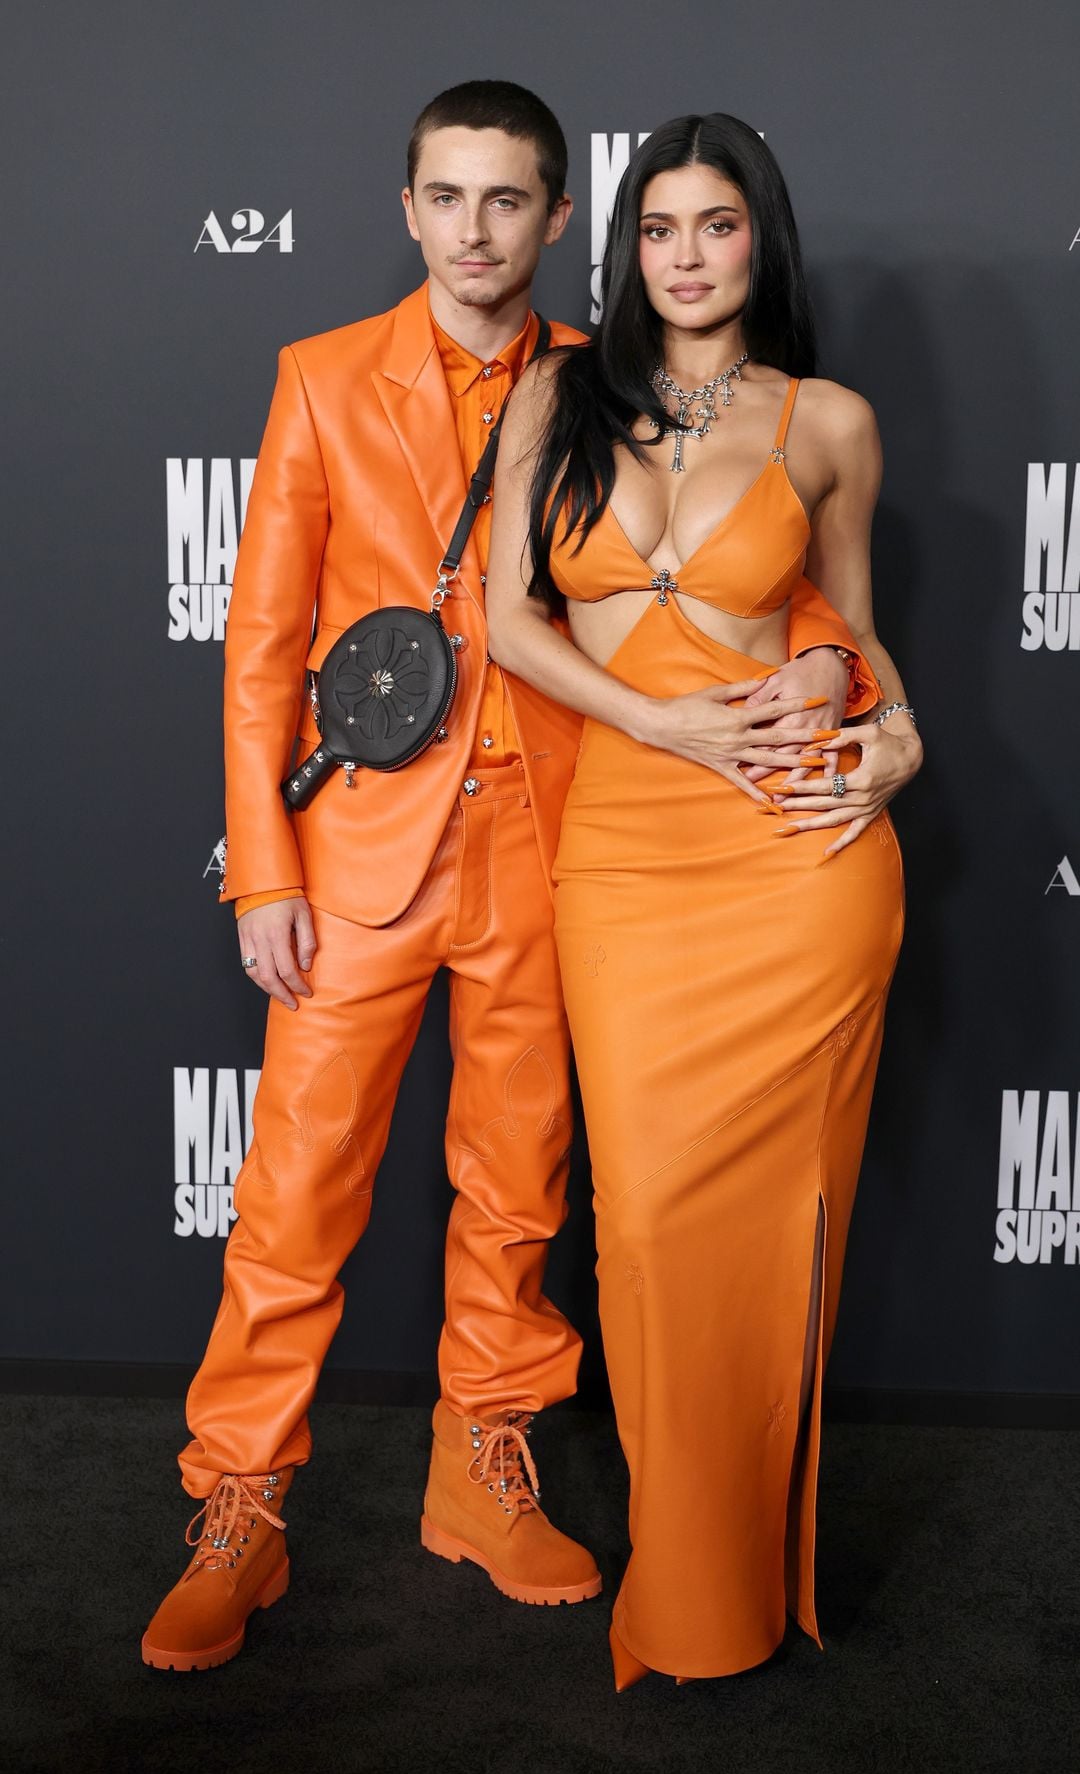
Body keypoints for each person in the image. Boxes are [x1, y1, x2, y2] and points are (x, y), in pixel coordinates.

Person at [142, 85, 880, 1674]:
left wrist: (846, 683)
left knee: (520, 1193)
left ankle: (483, 1469)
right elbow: (263, 641)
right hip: (359, 862)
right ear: (405, 209)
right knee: (293, 1200)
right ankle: (240, 1506)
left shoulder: (607, 384)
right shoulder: (324, 380)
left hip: (563, 848)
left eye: (507, 203)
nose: (474, 230)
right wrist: (262, 864)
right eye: (446, 198)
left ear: (559, 222)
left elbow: (768, 582)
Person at [485, 112, 920, 1687]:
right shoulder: (560, 391)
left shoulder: (833, 423)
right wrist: (660, 721)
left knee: (769, 1238)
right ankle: (685, 1579)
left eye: (717, 225)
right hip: (631, 847)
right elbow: (508, 622)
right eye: (659, 227)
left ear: (760, 240)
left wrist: (903, 727)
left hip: (798, 863)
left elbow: (860, 635)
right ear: (627, 246)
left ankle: (718, 1595)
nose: (685, 255)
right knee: (651, 1232)